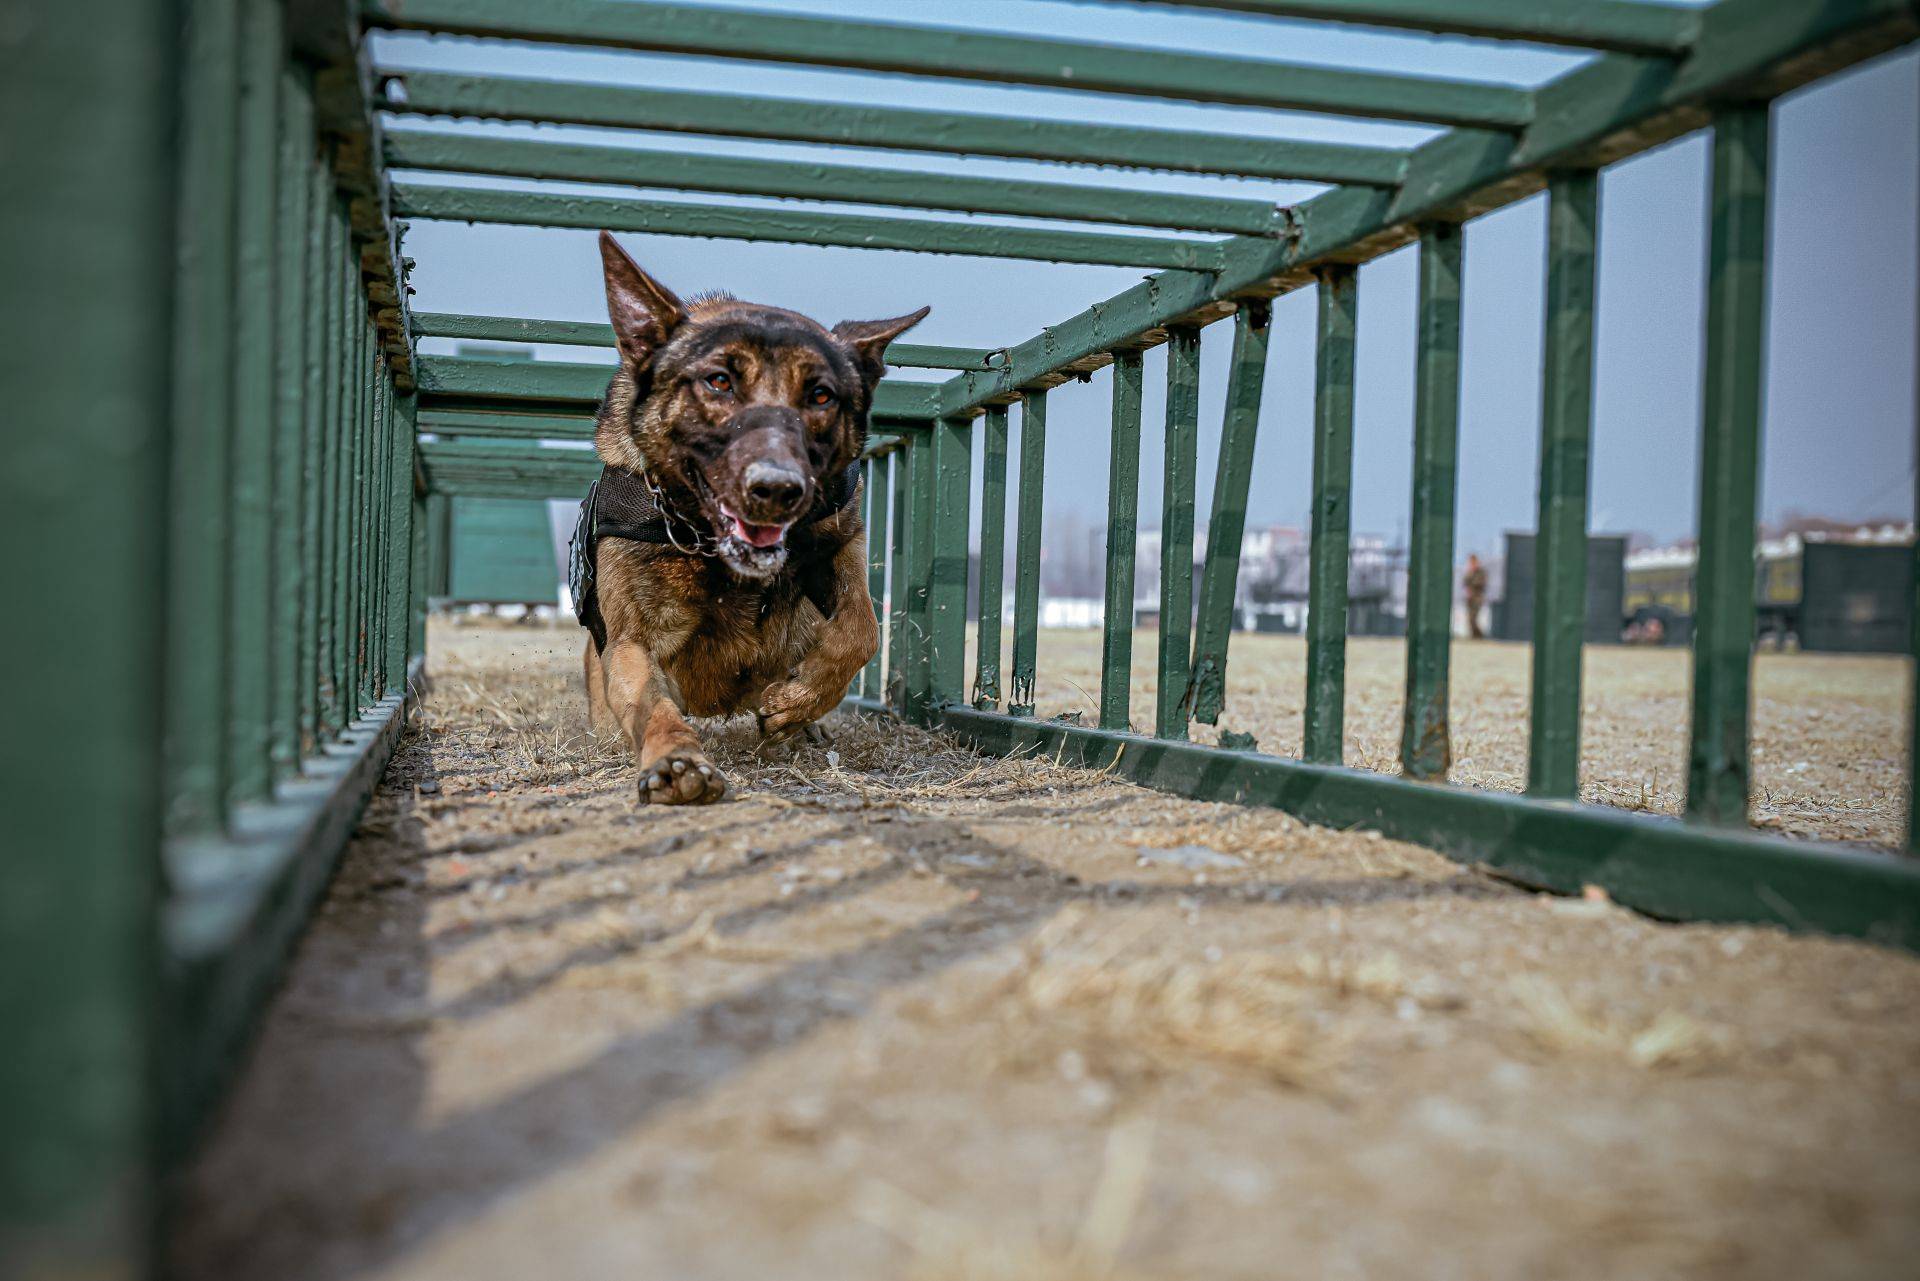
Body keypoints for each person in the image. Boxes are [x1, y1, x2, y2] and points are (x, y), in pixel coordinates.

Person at [1462, 554, 1488, 639]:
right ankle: (1475, 636)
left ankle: (1479, 636)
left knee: (1473, 617)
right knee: (1470, 618)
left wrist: (1472, 586)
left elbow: (1480, 583)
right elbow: (1465, 582)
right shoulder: (1470, 572)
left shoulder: (1481, 572)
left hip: (1477, 598)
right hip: (1470, 598)